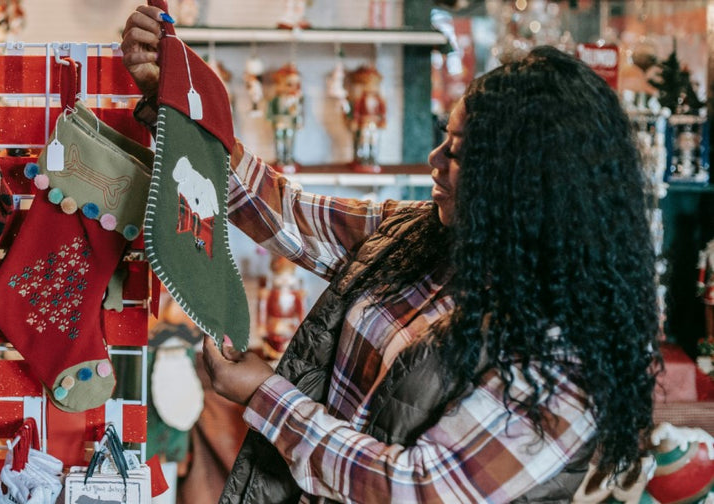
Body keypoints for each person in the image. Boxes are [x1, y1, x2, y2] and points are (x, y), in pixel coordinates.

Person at [122, 5, 660, 503]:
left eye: (460, 154)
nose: (434, 160)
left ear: (533, 183)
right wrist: (177, 101)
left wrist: (266, 395)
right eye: (443, 139)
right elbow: (288, 214)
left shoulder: (564, 365)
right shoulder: (427, 237)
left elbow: (415, 488)